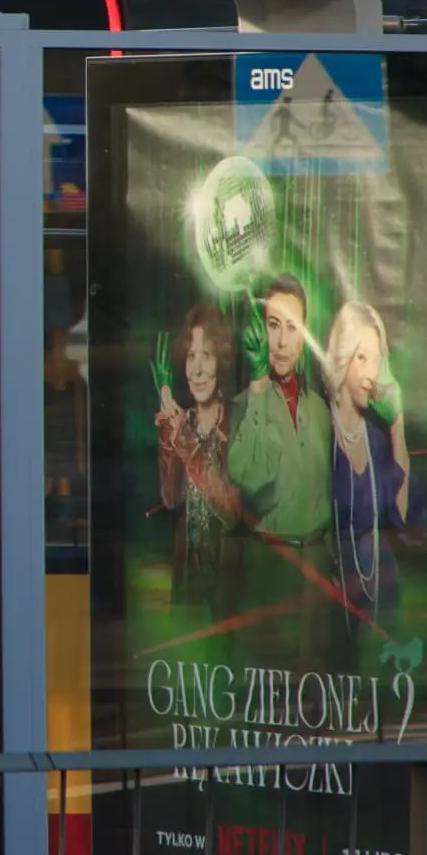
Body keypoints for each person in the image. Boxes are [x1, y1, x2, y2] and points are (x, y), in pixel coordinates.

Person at [226, 274, 337, 660]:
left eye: (294, 327)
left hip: (317, 569)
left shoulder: (321, 411)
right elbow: (251, 481)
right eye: (274, 325)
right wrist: (258, 384)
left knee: (315, 676)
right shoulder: (243, 405)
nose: (283, 341)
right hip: (268, 568)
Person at [322, 301, 416, 625]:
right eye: (361, 358)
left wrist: (397, 424)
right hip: (326, 606)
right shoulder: (319, 428)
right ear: (343, 358)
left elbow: (403, 517)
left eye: (376, 360)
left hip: (381, 605)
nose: (370, 373)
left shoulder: (378, 439)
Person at [153, 305, 245, 611]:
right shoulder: (183, 422)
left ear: (221, 360)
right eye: (191, 356)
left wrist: (184, 440)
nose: (197, 369)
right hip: (187, 581)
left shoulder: (238, 421)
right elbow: (170, 499)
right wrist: (169, 440)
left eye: (206, 355)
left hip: (227, 586)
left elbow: (231, 510)